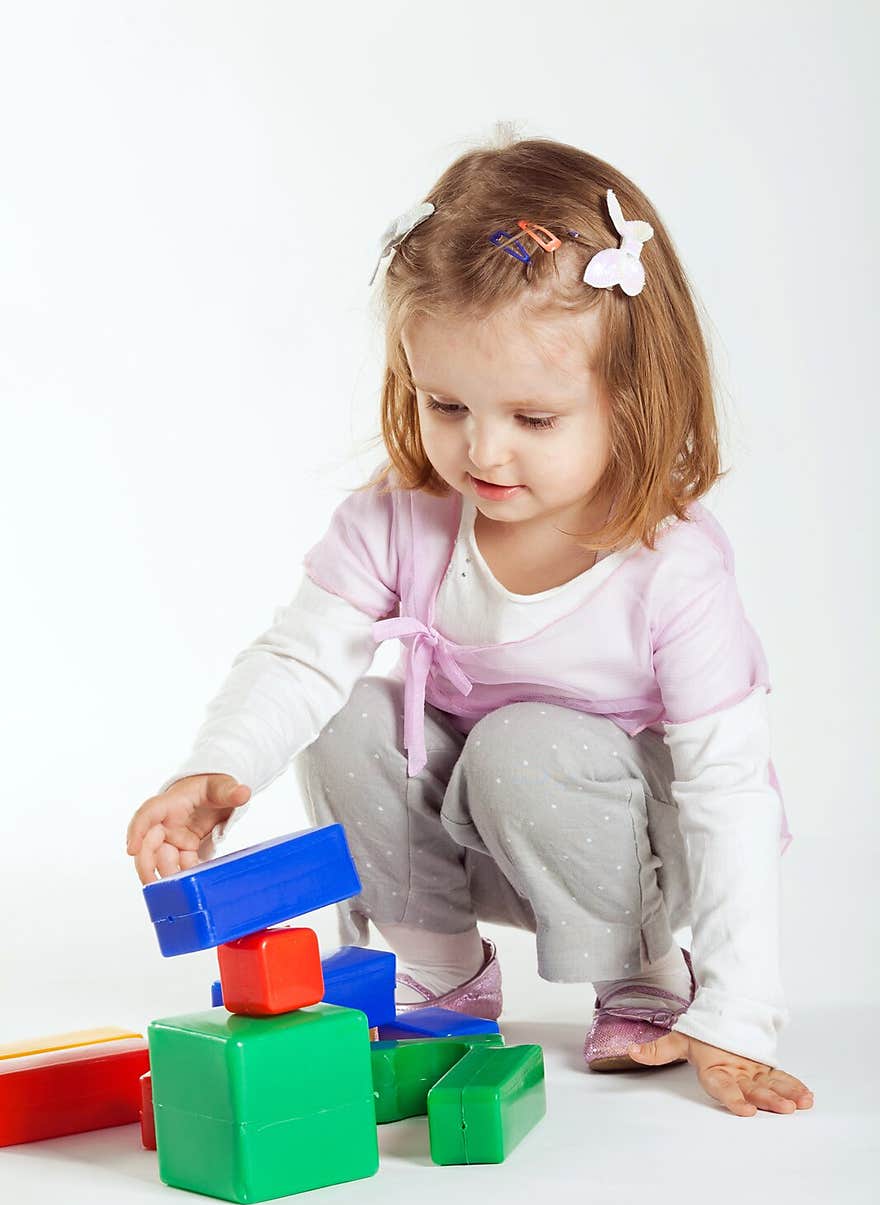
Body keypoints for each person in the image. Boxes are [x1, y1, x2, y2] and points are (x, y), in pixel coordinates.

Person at [126, 130, 814, 1120]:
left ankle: (642, 975)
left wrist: (738, 1012)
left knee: (521, 740)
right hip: (479, 839)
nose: (481, 450)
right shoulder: (397, 519)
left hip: (626, 857)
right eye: (445, 403)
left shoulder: (671, 568)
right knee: (350, 709)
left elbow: (728, 790)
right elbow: (299, 657)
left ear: (632, 402)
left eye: (532, 419)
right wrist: (216, 769)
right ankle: (438, 971)